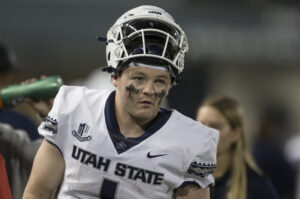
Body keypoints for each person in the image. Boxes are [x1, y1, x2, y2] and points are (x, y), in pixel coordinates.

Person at [23, 5, 219, 199]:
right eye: (139, 78)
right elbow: (37, 193)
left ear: (171, 83)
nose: (149, 90)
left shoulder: (190, 143)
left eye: (160, 81)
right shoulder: (73, 107)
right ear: (115, 76)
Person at [196, 96, 279, 199]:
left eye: (215, 126)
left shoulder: (256, 186)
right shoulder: (183, 180)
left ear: (236, 133)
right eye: (200, 125)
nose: (205, 132)